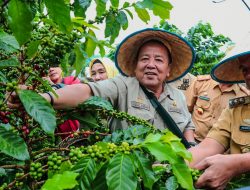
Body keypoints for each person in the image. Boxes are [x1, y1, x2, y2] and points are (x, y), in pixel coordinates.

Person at [8, 28, 196, 143]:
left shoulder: (178, 96)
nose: (151, 64)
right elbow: (88, 92)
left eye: (159, 60)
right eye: (144, 58)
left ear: (169, 69)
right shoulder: (123, 85)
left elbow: (187, 124)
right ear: (136, 65)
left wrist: (190, 147)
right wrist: (42, 99)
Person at [189, 50, 250, 189]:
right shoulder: (236, 109)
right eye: (245, 69)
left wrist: (238, 163)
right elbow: (208, 147)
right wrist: (171, 164)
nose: (249, 75)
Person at [185, 74, 248, 143]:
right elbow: (185, 112)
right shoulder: (201, 82)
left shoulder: (243, 96)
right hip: (192, 139)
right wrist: (190, 141)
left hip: (220, 147)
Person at [45, 66, 81, 139]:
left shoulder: (72, 80)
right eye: (47, 67)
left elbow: (75, 94)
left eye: (54, 65)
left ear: (61, 68)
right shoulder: (43, 90)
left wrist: (52, 85)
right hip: (63, 137)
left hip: (81, 131)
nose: (51, 69)